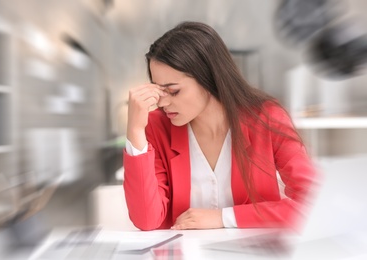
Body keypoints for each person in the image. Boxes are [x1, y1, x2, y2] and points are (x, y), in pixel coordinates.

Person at [123, 21, 317, 231]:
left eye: (174, 91)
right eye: (160, 92)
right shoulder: (156, 126)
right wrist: (134, 131)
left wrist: (224, 218)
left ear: (209, 78)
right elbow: (147, 221)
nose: (162, 103)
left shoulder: (267, 118)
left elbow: (313, 203)